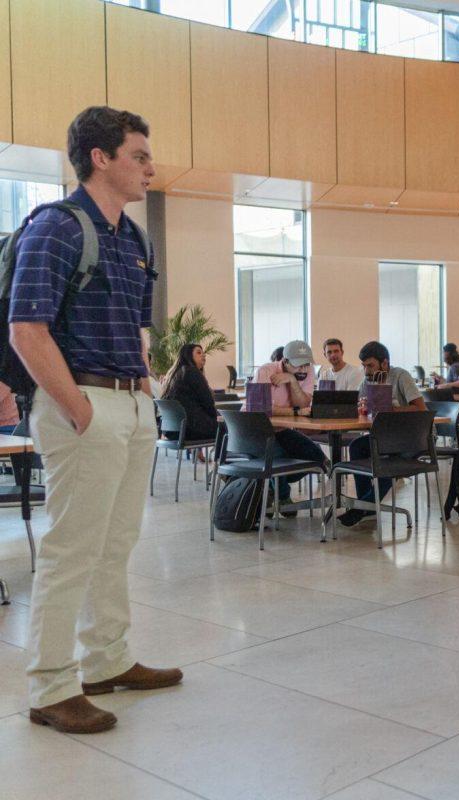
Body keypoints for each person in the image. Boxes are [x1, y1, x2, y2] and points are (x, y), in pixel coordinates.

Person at [10, 106, 181, 734]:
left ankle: (107, 659)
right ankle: (51, 685)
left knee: (116, 545)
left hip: (129, 406)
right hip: (81, 404)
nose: (150, 167)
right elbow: (26, 329)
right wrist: (80, 410)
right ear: (100, 158)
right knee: (71, 550)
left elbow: (137, 327)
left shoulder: (132, 237)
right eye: (138, 155)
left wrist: (142, 395)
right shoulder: (56, 228)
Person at [337, 340, 427, 527]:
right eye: (363, 366)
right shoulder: (366, 382)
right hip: (386, 437)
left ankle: (364, 507)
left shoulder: (400, 376)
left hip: (413, 436)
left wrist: (389, 410)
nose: (366, 371)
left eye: (370, 365)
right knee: (357, 447)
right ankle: (367, 504)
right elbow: (363, 410)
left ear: (384, 363)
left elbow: (421, 409)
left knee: (388, 459)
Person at [253, 340, 327, 506]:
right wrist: (295, 412)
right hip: (256, 430)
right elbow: (262, 409)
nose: (303, 369)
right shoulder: (265, 371)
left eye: (306, 364)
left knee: (316, 457)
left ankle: (276, 484)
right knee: (279, 457)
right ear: (285, 361)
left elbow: (303, 404)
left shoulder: (307, 372)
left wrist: (292, 381)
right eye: (298, 365)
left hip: (280, 429)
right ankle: (282, 495)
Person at [160, 342, 218, 440]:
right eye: (199, 353)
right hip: (188, 429)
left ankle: (199, 454)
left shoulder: (174, 374)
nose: (203, 355)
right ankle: (221, 456)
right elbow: (208, 402)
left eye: (203, 352)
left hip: (171, 430)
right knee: (229, 428)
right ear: (188, 356)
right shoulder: (191, 372)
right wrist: (215, 418)